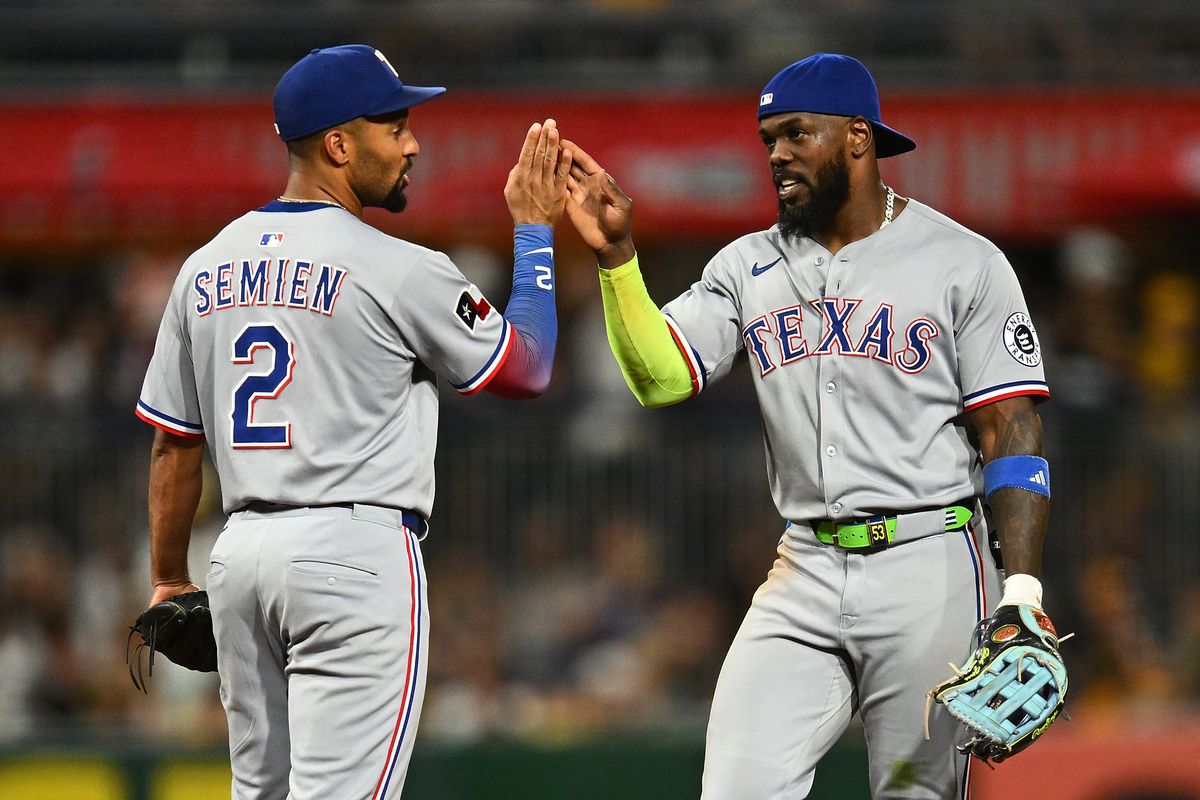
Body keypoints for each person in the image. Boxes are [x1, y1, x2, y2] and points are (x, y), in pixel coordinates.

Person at [563, 53, 1055, 799]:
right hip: (805, 567)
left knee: (913, 791)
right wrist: (618, 260)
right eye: (768, 140)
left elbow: (1010, 428)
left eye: (796, 133)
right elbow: (660, 376)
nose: (777, 155)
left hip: (932, 563)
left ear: (858, 137)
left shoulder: (962, 262)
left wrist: (1019, 589)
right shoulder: (747, 266)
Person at [133, 44, 570, 799]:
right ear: (339, 144)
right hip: (350, 553)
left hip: (239, 559)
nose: (413, 143)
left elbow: (174, 441)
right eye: (393, 125)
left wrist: (170, 577)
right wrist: (534, 232)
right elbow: (526, 369)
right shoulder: (395, 265)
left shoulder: (204, 266)